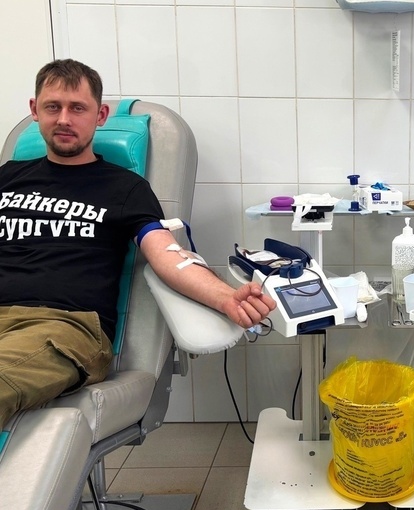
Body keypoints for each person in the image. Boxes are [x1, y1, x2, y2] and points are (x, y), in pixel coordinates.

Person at [0, 59, 276, 430]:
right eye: (53, 107)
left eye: (77, 108)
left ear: (100, 116)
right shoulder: (8, 177)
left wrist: (226, 297)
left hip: (63, 327)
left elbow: (168, 255)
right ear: (35, 110)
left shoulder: (124, 188)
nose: (64, 119)